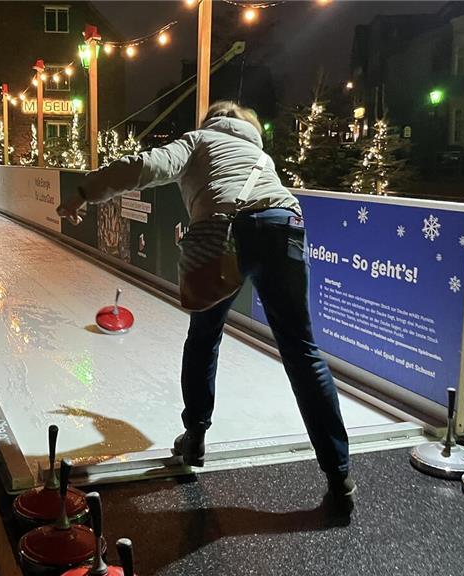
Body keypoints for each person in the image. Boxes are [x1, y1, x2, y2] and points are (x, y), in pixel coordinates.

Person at [56, 101, 355, 504]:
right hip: (284, 225)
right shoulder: (260, 155)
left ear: (211, 121)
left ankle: (195, 437)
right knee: (301, 350)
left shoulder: (199, 141)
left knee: (204, 337)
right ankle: (338, 472)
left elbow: (143, 166)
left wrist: (81, 192)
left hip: (220, 234)